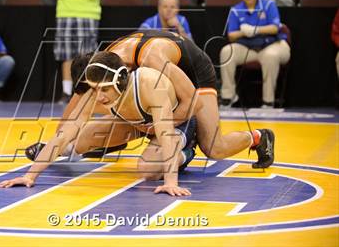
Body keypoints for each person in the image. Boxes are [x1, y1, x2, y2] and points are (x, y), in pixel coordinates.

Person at [27, 30, 275, 170]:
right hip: (152, 85)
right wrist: (54, 146)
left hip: (193, 73)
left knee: (214, 147)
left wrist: (156, 126)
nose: (95, 96)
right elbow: (73, 115)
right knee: (86, 134)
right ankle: (115, 141)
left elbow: (192, 102)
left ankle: (257, 137)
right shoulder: (102, 67)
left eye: (96, 90)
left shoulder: (150, 59)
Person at [0, 51, 199, 196]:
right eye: (95, 89)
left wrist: (171, 181)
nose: (99, 96)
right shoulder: (96, 92)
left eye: (104, 89)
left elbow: (164, 133)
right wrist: (30, 176)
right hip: (139, 123)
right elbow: (64, 135)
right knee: (82, 137)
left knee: (148, 170)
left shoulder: (149, 84)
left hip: (175, 123)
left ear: (119, 80)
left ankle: (186, 152)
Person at [219, 0, 290, 108]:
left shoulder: (269, 5)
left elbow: (275, 28)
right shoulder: (236, 10)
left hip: (273, 45)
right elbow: (231, 35)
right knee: (226, 51)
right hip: (249, 48)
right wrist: (243, 32)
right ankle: (228, 96)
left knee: (270, 56)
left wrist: (255, 30)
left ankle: (268, 101)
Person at [53, 0, 105, 102]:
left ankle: (88, 91)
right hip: (65, 14)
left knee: (88, 55)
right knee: (67, 55)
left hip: (88, 14)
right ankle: (67, 92)